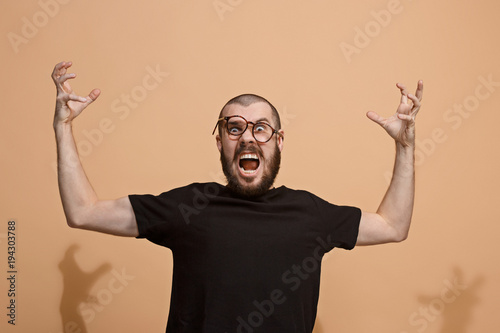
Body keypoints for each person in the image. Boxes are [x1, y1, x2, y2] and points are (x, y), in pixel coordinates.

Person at [52, 61, 423, 333]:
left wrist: (405, 147)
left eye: (261, 128)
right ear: (220, 141)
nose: (248, 137)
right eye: (235, 128)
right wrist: (63, 128)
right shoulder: (188, 207)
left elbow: (393, 225)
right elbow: (83, 212)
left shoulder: (310, 214)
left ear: (278, 142)